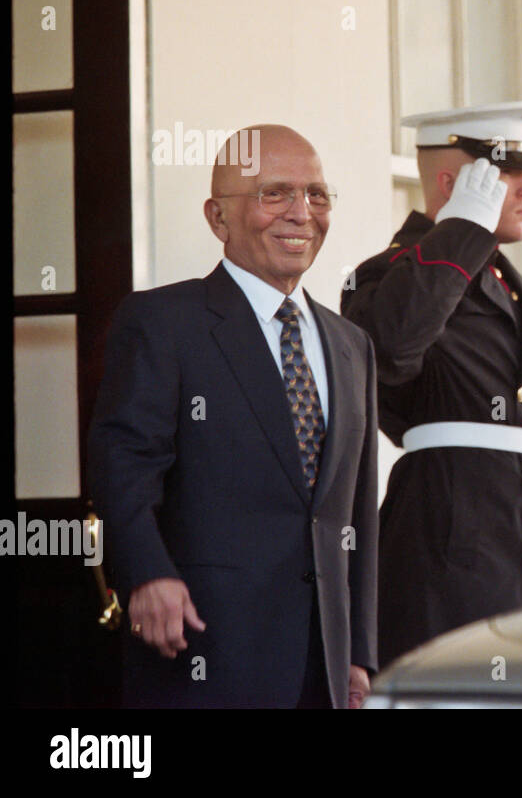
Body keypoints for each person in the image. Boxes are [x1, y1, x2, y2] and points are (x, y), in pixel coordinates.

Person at [88, 124, 378, 708]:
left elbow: (357, 515)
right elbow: (122, 463)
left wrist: (359, 652)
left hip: (322, 668)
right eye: (275, 194)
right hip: (204, 652)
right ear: (217, 218)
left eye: (317, 195)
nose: (302, 213)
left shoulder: (352, 345)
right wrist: (145, 573)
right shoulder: (164, 322)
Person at [342, 102, 522, 667]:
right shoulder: (385, 274)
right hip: (447, 547)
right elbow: (392, 346)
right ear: (453, 183)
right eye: (508, 173)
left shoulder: (510, 285)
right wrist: (458, 232)